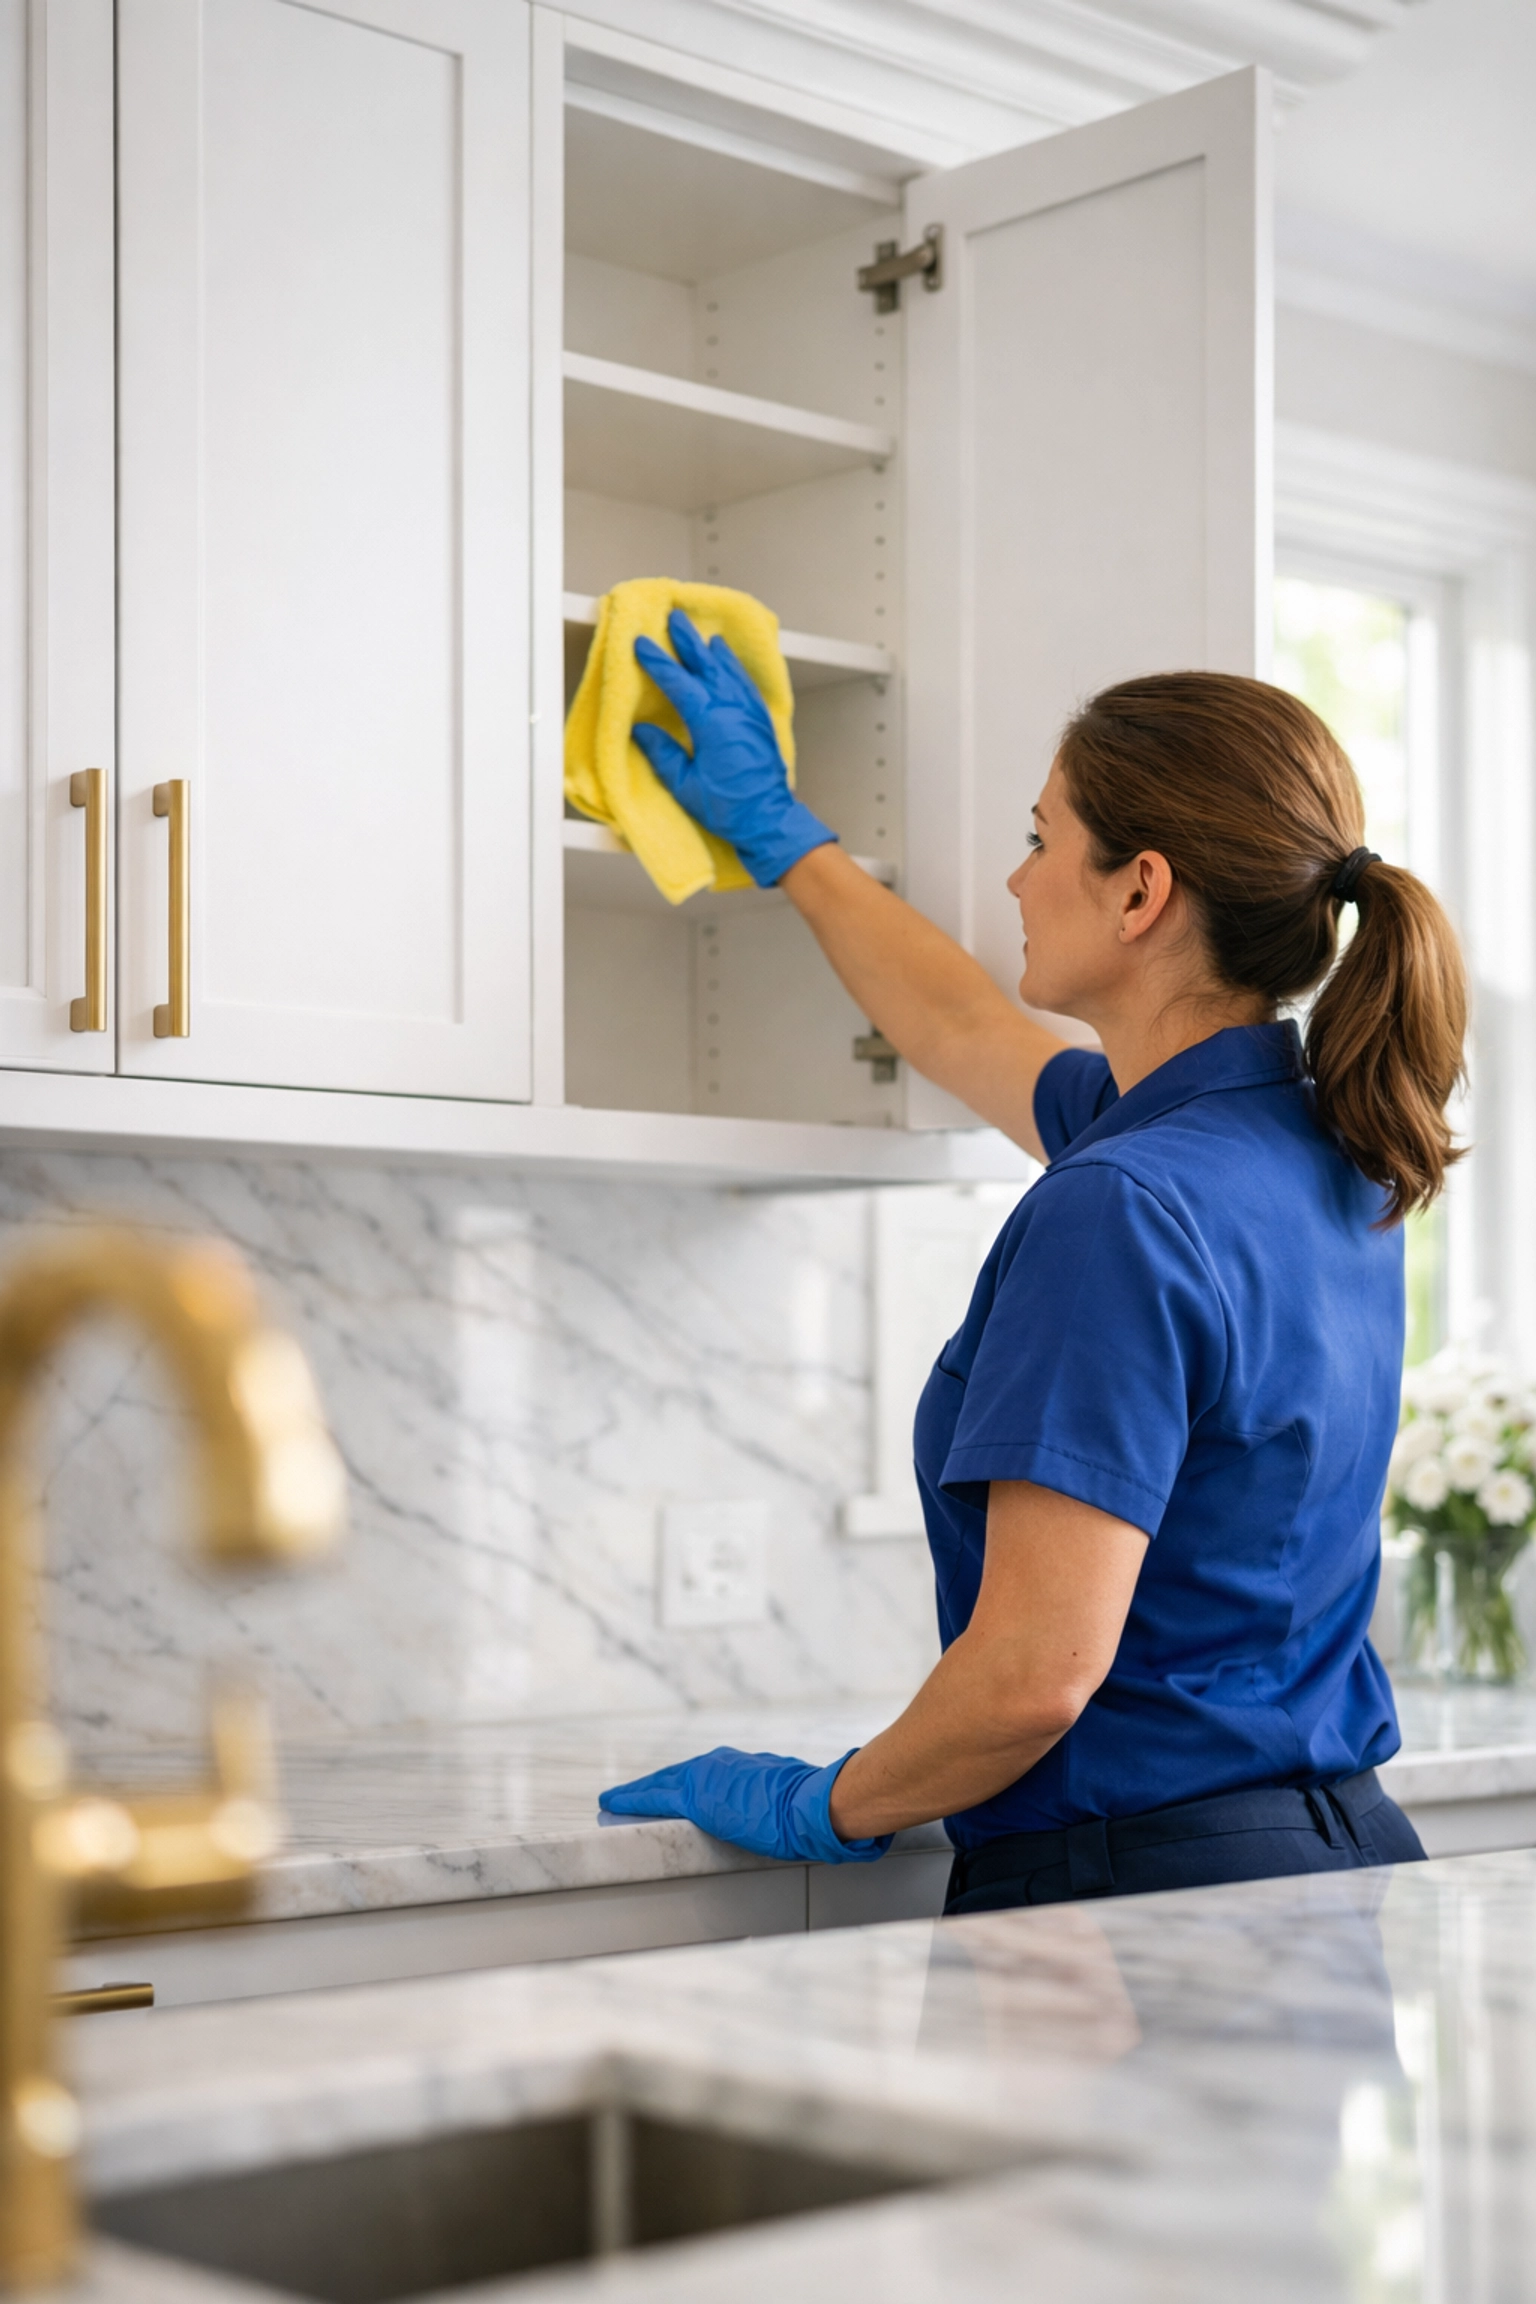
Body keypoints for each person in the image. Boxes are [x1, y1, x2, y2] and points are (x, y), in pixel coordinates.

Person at [600, 612, 1467, 1909]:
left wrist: (819, 1802)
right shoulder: (1314, 1141)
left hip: (1140, 1901)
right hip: (1331, 1862)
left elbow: (1033, 1677)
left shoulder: (1120, 1205)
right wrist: (786, 837)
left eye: (1037, 838)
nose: (1013, 879)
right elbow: (959, 1025)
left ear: (1140, 890)